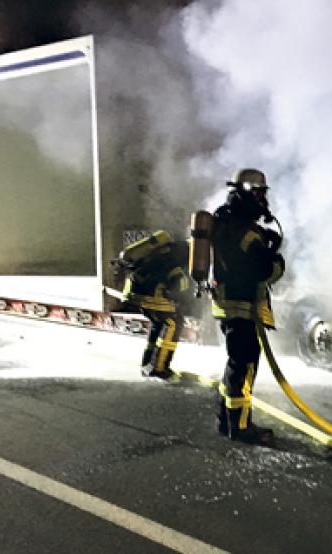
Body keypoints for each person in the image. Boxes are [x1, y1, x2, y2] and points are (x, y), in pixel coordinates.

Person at [209, 168, 285, 444]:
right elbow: (264, 270)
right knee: (244, 365)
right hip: (241, 305)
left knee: (235, 363)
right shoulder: (245, 230)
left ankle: (225, 419)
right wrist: (276, 258)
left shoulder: (226, 219)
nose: (263, 199)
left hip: (228, 302)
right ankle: (240, 426)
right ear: (248, 192)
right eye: (260, 193)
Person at [118, 230, 192, 380]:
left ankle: (147, 364)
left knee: (159, 323)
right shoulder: (183, 254)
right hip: (151, 294)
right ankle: (159, 368)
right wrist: (183, 295)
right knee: (173, 323)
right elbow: (179, 280)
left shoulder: (168, 248)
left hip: (134, 289)